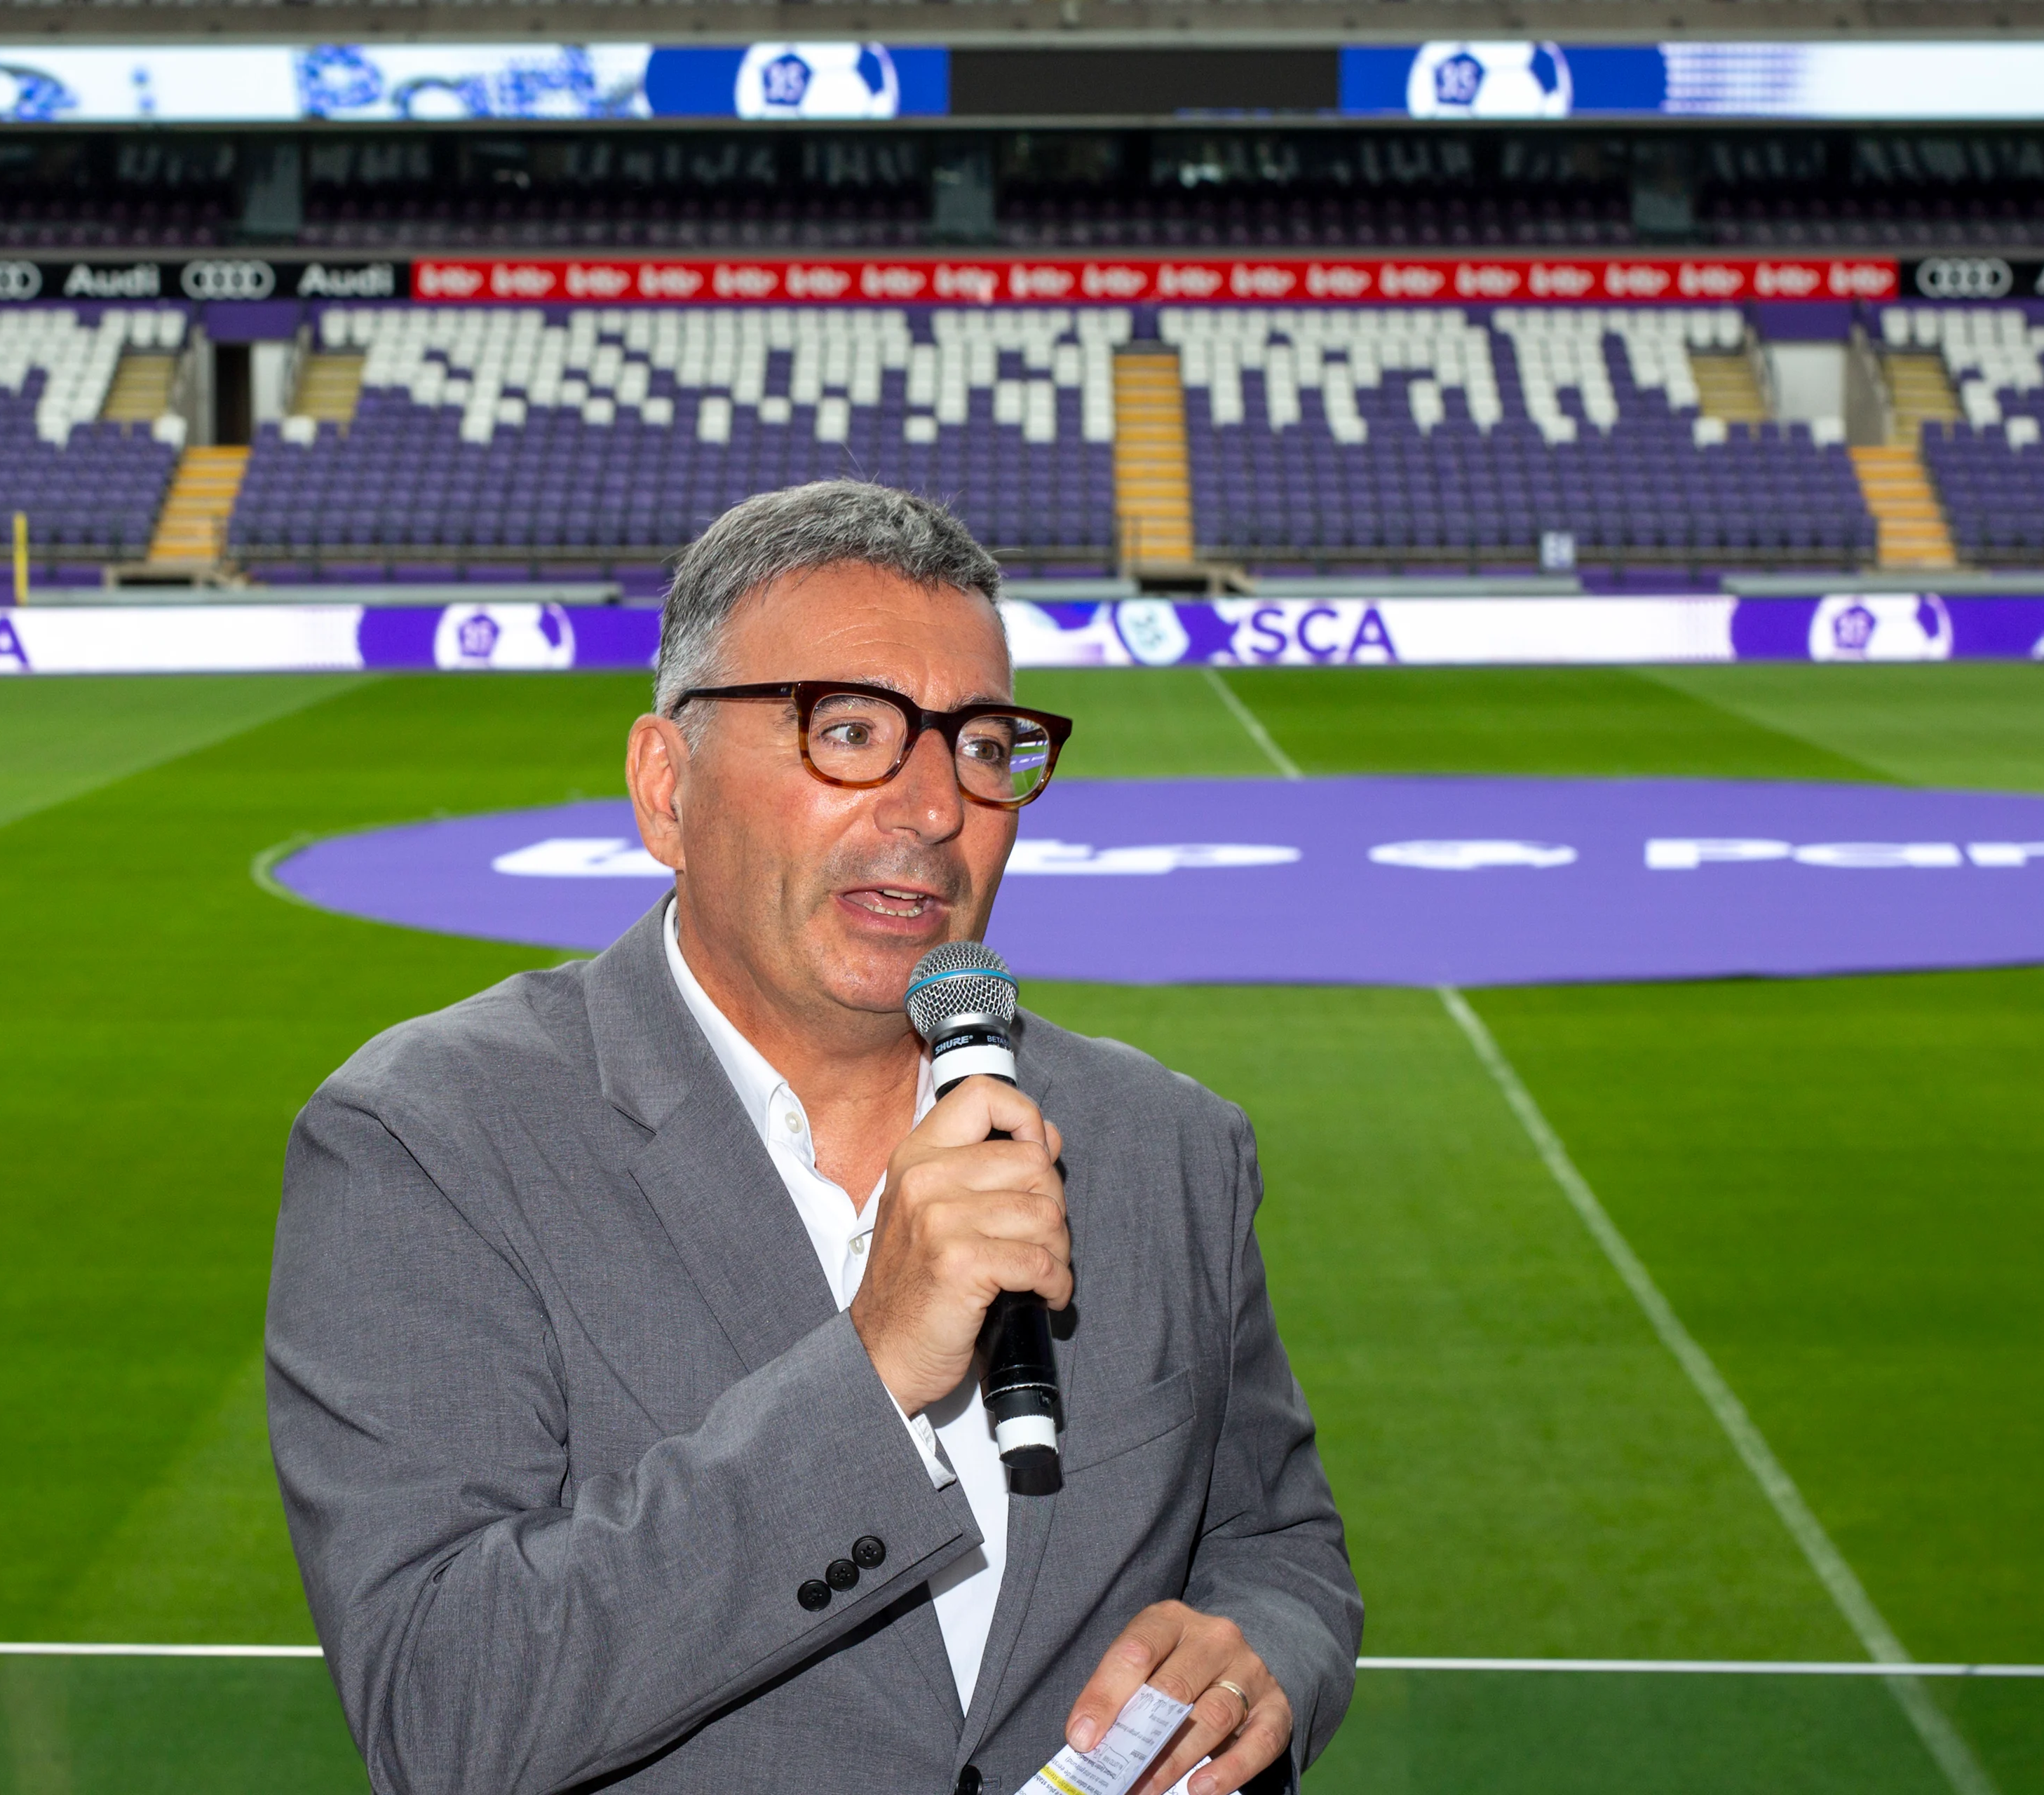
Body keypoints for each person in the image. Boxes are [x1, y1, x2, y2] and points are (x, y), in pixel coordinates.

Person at [266, 480, 1360, 1795]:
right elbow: (446, 1712)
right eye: (850, 732)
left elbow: (1277, 1543)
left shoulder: (1166, 1145)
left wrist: (1268, 1660)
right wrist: (874, 1362)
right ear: (666, 789)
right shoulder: (426, 1143)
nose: (932, 810)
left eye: (980, 745)